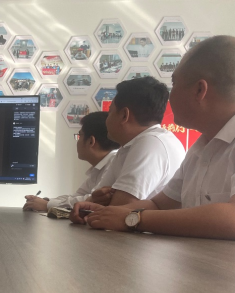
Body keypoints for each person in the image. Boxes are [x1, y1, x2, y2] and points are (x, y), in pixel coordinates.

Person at [71, 36, 235, 240]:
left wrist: (133, 219)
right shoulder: (200, 149)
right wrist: (106, 212)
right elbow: (159, 204)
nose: (169, 96)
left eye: (174, 83)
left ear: (199, 90)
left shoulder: (153, 143)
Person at [68, 76, 185, 217]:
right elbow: (96, 199)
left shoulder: (151, 143)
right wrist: (95, 204)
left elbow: (119, 209)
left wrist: (98, 205)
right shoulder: (127, 148)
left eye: (110, 112)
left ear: (124, 115)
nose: (106, 121)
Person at [23, 112, 119, 212]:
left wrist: (47, 205)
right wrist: (45, 201)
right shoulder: (99, 168)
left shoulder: (114, 162)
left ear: (91, 141)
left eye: (79, 136)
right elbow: (77, 196)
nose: (77, 141)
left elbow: (91, 200)